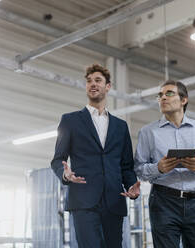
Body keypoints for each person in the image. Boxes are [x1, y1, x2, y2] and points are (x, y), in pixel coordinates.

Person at [51, 64, 140, 248]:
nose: (93, 84)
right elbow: (57, 159)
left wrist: (132, 187)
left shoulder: (120, 126)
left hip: (114, 200)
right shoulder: (70, 121)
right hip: (83, 200)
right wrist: (65, 174)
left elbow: (126, 166)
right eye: (89, 81)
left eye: (98, 80)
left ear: (108, 86)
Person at [134, 80, 195, 248]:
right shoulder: (148, 132)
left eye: (169, 93)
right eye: (159, 95)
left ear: (184, 100)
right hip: (163, 202)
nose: (163, 98)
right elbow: (139, 169)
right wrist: (158, 168)